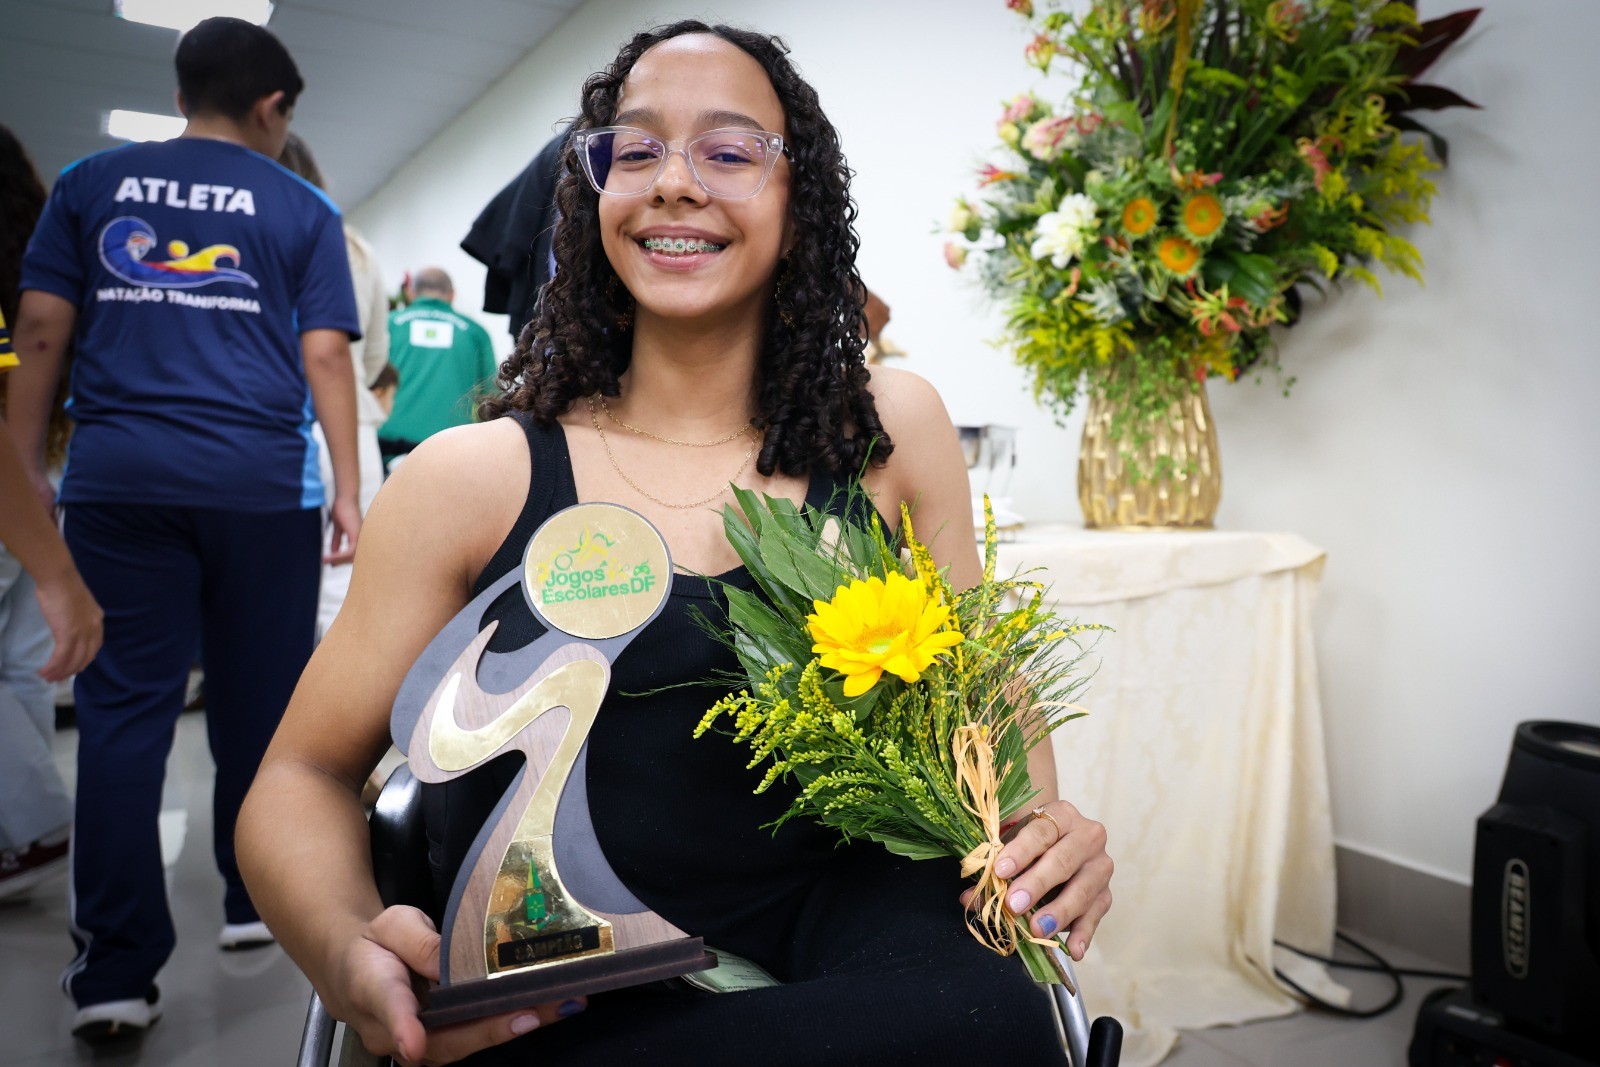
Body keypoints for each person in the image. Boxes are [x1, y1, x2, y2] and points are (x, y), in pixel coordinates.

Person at [237, 21, 1112, 1066]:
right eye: (636, 150)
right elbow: (302, 772)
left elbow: (978, 695)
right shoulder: (473, 479)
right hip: (565, 968)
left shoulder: (889, 429)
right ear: (593, 195)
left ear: (802, 201)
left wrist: (1044, 829)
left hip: (865, 932)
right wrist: (344, 950)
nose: (674, 182)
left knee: (987, 1013)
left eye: (730, 151)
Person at [5, 17, 362, 1043]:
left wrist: (29, 464)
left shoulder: (87, 182)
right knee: (261, 711)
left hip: (118, 485)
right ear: (273, 109)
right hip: (262, 489)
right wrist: (345, 486)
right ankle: (257, 902)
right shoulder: (300, 203)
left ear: (180, 96)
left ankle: (114, 973)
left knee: (123, 719)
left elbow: (39, 331)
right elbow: (327, 357)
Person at [0, 125, 101, 905]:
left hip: (18, 469)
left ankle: (33, 824)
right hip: (50, 460)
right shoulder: (39, 253)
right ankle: (27, 829)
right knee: (24, 663)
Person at [277, 132, 392, 637]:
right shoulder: (353, 248)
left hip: (272, 423)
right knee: (346, 582)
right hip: (351, 425)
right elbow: (373, 354)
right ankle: (340, 713)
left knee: (264, 580)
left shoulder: (251, 238)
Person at [376, 267, 498, 466]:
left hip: (389, 447)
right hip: (453, 449)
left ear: (411, 292)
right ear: (452, 295)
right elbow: (492, 395)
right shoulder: (475, 333)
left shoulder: (388, 325)